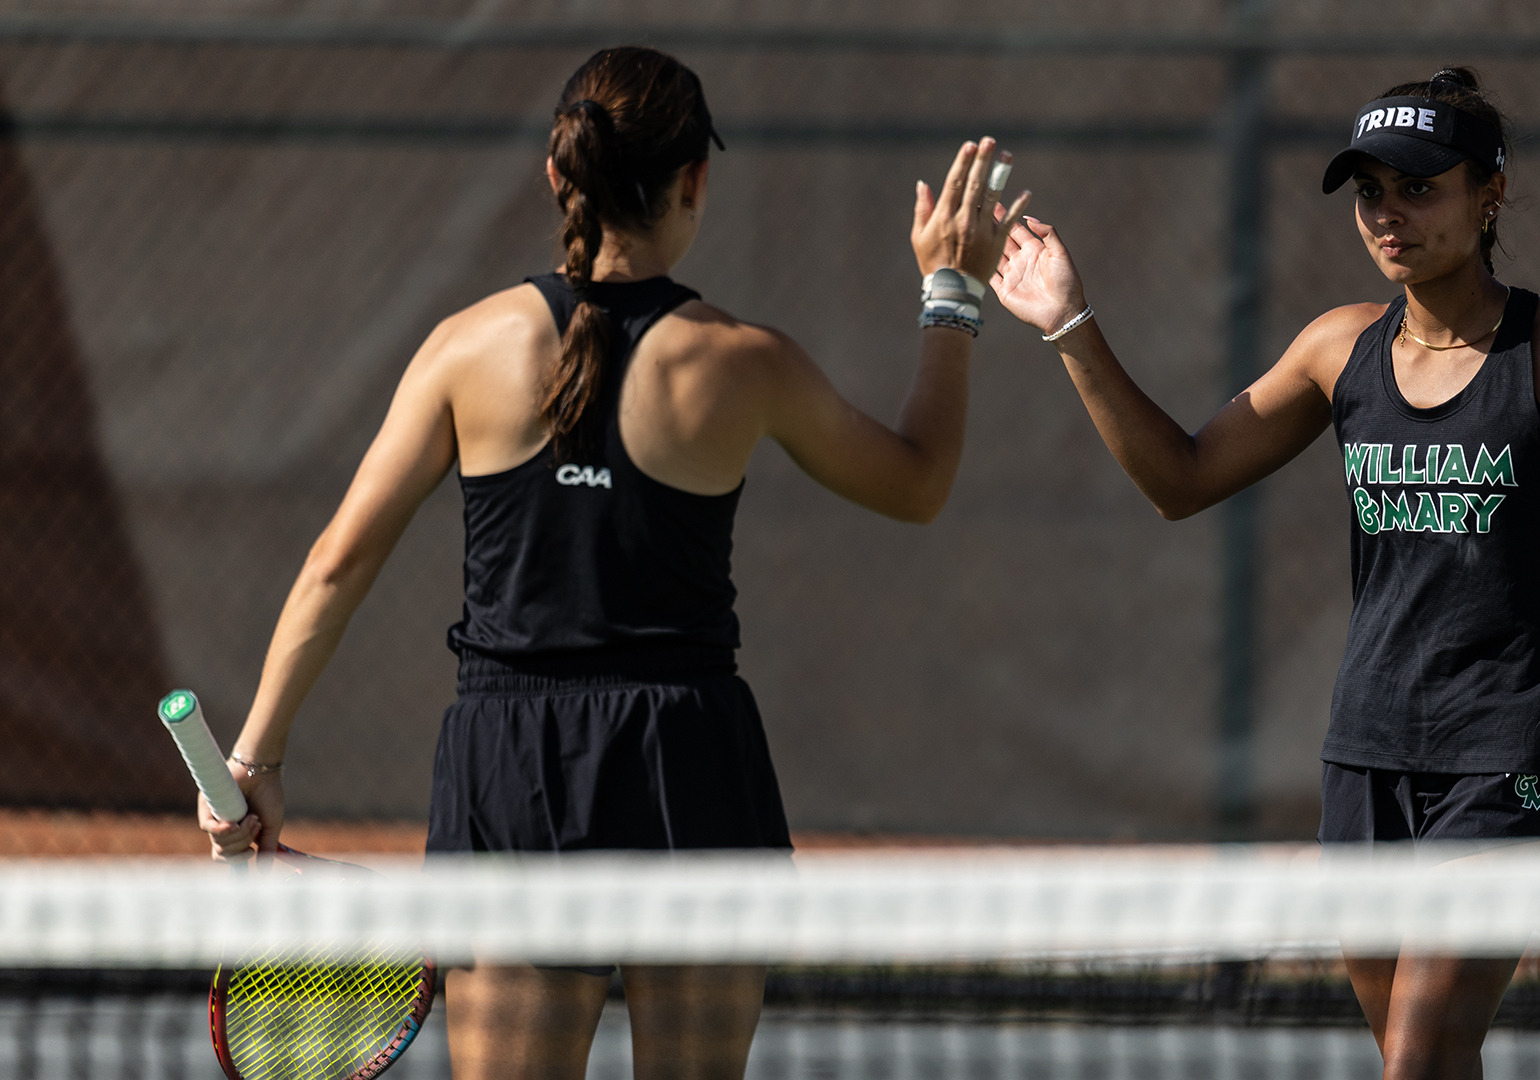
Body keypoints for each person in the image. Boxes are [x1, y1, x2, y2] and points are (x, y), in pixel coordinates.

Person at [198, 45, 1029, 1080]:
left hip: (512, 771)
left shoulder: (467, 345)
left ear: (559, 176)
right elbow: (918, 482)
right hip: (688, 767)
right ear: (695, 182)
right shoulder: (741, 361)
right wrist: (950, 294)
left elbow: (338, 560)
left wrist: (257, 758)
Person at [990, 68, 1540, 1078]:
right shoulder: (1335, 349)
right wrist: (1069, 327)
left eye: (1416, 188)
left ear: (1489, 193)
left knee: (1414, 1057)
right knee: (1432, 1062)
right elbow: (1178, 478)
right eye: (1370, 193)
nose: (1388, 214)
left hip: (1514, 763)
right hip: (1367, 758)